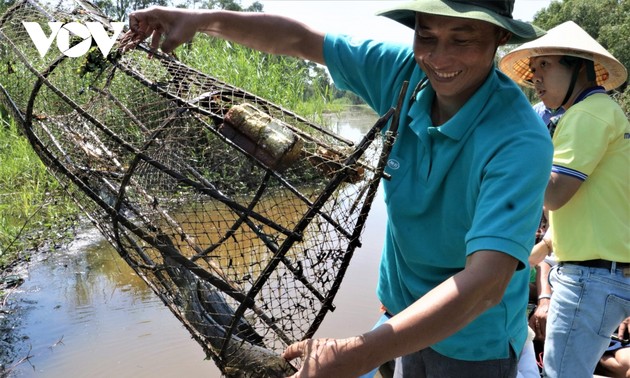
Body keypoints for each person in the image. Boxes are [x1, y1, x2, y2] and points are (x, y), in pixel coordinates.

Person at [121, 1, 553, 376]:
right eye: (427, 34)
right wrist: (197, 19)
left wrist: (354, 355)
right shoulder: (404, 72)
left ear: (498, 37)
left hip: (473, 342)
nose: (439, 57)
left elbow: (484, 284)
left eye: (462, 39)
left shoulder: (518, 141)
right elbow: (300, 39)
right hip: (398, 311)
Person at [500, 21, 630, 378]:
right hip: (603, 272)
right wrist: (534, 253)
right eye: (534, 68)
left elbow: (555, 194)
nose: (535, 77)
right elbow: (590, 207)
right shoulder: (602, 111)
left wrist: (510, 159)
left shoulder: (584, 114)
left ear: (579, 66)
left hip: (589, 278)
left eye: (546, 65)